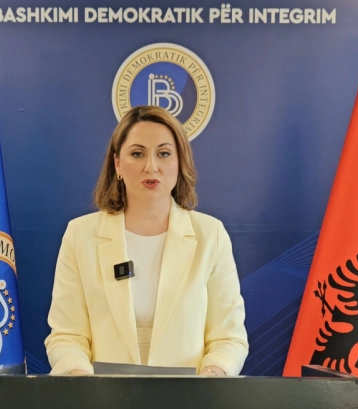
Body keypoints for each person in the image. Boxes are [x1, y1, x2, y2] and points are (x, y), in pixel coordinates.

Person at [44, 105, 248, 376]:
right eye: (137, 153)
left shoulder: (211, 235)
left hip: (191, 396)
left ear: (179, 162)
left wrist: (212, 376)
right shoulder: (80, 235)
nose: (151, 167)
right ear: (117, 164)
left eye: (164, 153)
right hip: (102, 396)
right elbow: (67, 336)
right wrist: (82, 382)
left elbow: (229, 338)